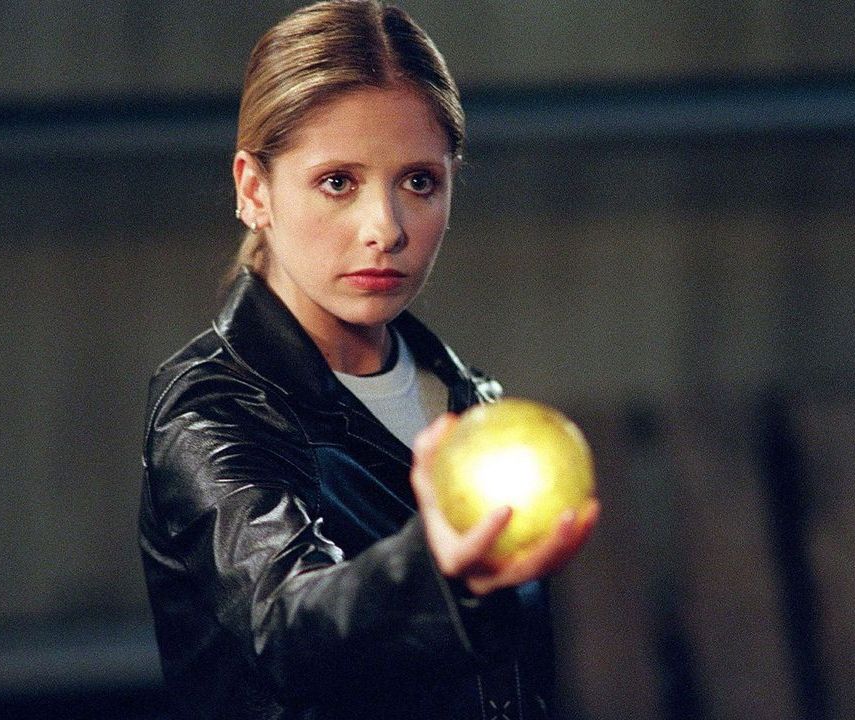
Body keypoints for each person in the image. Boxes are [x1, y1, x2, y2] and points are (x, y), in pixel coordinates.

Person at [138, 2, 599, 718]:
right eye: (337, 182)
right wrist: (437, 572)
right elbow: (286, 623)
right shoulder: (211, 411)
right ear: (254, 190)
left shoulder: (469, 399)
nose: (385, 229)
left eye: (418, 182)